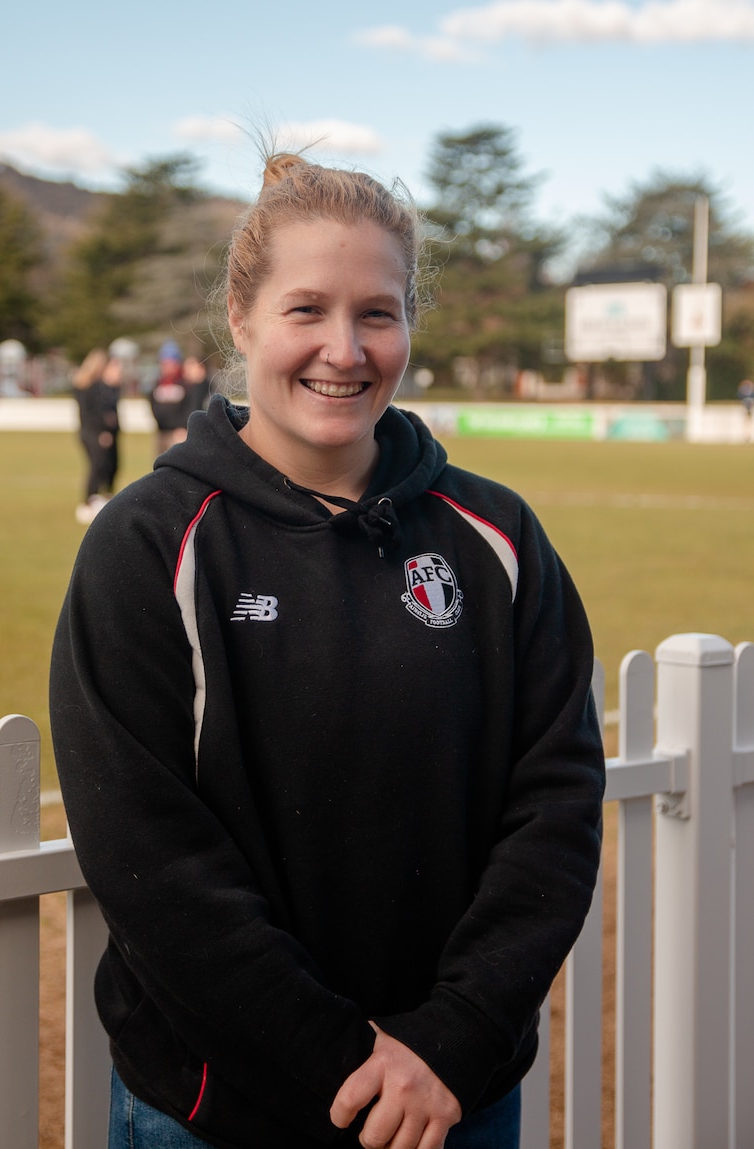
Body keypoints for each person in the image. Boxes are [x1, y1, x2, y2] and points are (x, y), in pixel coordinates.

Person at [50, 153, 605, 1149]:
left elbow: (554, 801)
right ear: (242, 316)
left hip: (453, 1096)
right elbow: (147, 858)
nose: (342, 350)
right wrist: (346, 1063)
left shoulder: (498, 536)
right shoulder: (147, 543)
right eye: (306, 310)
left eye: (377, 314)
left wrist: (450, 1041)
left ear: (408, 324)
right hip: (225, 1107)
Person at [72, 348, 121, 524]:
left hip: (93, 432)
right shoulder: (91, 388)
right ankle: (88, 502)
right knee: (97, 466)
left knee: (108, 466)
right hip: (93, 433)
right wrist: (102, 431)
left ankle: (101, 499)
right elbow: (93, 413)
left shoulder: (99, 387)